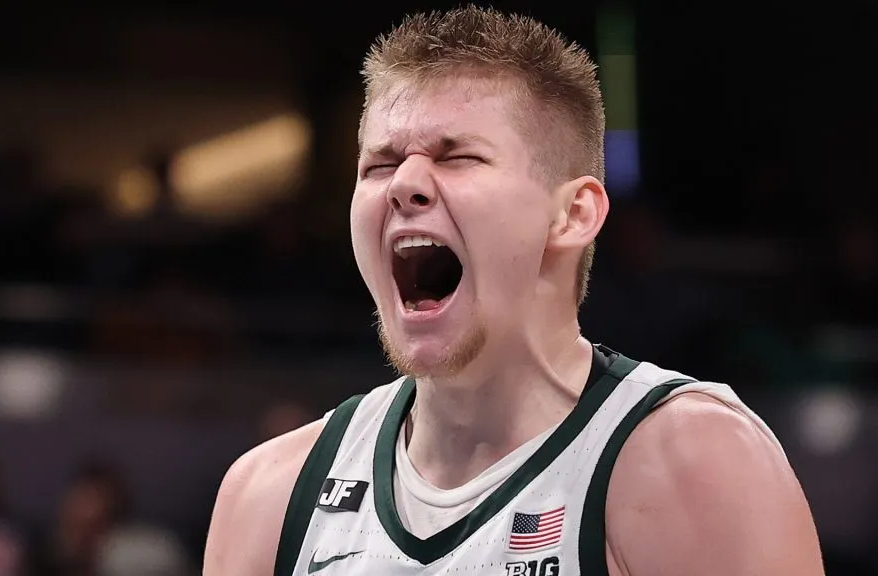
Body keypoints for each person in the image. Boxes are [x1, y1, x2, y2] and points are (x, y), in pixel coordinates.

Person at [203, 6, 824, 575]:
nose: (404, 185)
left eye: (457, 157)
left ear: (573, 214)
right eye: (379, 165)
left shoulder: (689, 465)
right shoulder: (271, 496)